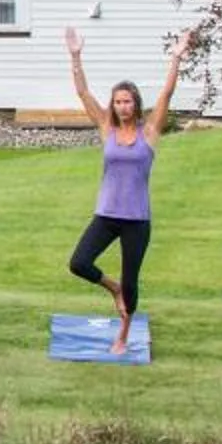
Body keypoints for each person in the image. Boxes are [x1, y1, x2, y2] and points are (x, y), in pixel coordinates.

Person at [64, 25, 192, 355]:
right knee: (78, 263)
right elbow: (83, 94)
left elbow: (166, 95)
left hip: (136, 219)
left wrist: (175, 59)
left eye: (128, 101)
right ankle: (111, 287)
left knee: (132, 282)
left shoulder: (148, 133)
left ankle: (122, 334)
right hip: (106, 215)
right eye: (118, 101)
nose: (123, 106)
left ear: (136, 104)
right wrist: (76, 56)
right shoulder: (105, 127)